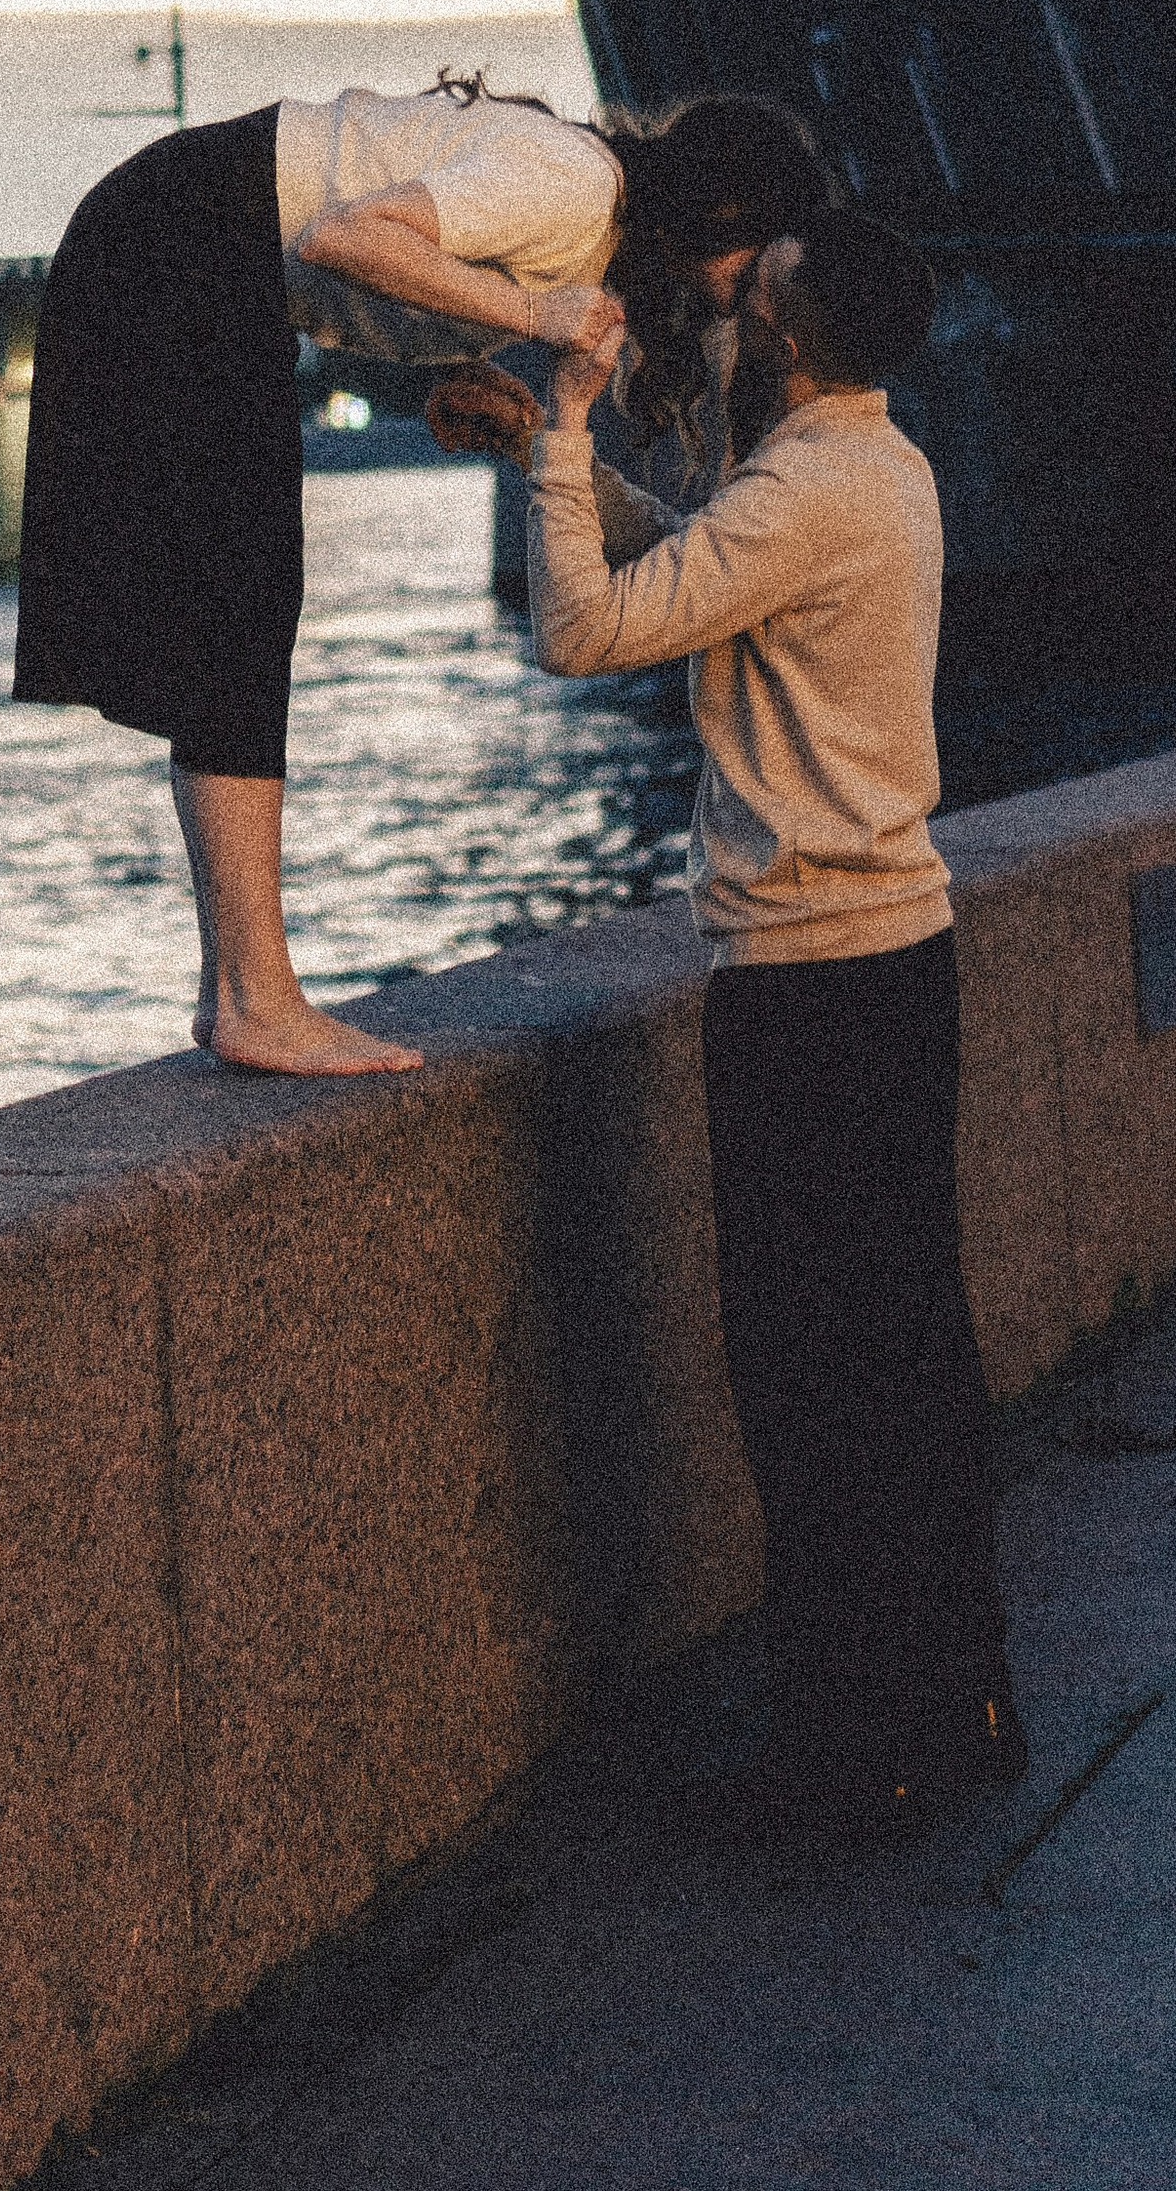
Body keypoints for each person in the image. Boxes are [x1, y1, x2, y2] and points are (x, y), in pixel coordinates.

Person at [438, 210, 1024, 1839]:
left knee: (808, 1377)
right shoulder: (874, 468)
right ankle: (962, 1698)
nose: (725, 310)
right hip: (897, 959)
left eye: (754, 296)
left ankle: (851, 1750)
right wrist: (546, 458)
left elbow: (583, 632)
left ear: (796, 336)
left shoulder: (805, 488)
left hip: (808, 981)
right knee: (909, 1355)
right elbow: (697, 567)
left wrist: (567, 421)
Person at [12, 79, 831, 1077]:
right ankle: (255, 1001)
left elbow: (368, 234)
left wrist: (449, 358)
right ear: (723, 215)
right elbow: (343, 236)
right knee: (239, 607)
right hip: (179, 239)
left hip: (184, 238)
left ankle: (235, 994)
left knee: (238, 610)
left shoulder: (584, 216)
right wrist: (531, 314)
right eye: (761, 258)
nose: (752, 296)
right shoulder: (572, 186)